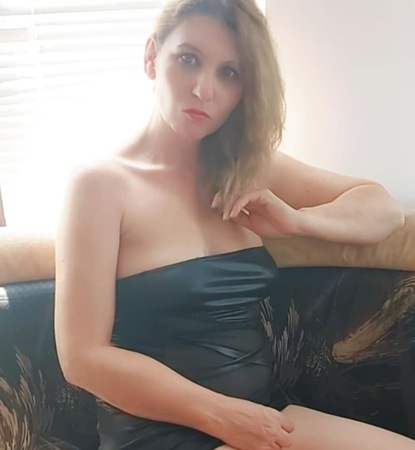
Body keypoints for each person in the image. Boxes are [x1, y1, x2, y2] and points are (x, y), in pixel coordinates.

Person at [54, 1, 413, 449]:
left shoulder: (247, 169)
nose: (204, 89)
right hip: (159, 433)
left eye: (229, 73)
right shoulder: (100, 185)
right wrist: (223, 417)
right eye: (189, 59)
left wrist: (298, 221)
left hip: (262, 417)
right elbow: (83, 357)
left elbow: (382, 209)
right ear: (151, 56)